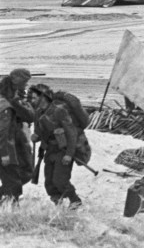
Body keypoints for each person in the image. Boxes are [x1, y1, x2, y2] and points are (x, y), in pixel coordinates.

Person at [28, 84, 91, 208]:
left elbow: (71, 133)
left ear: (43, 97)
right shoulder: (38, 112)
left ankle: (75, 201)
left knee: (60, 180)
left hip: (63, 150)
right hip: (49, 150)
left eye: (35, 98)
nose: (32, 100)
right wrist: (36, 137)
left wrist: (69, 154)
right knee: (49, 182)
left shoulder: (59, 111)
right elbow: (40, 132)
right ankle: (58, 203)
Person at [0, 68, 35, 206]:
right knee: (13, 181)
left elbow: (30, 116)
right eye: (25, 82)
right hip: (7, 146)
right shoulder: (5, 104)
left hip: (15, 143)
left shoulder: (14, 98)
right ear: (17, 83)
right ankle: (11, 208)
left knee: (25, 173)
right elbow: (2, 131)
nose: (26, 86)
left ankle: (8, 200)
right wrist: (5, 154)